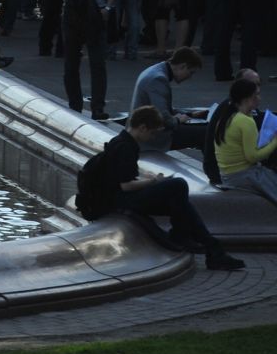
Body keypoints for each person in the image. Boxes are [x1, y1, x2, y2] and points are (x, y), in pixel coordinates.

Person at [76, 106, 243, 271]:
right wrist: (154, 181)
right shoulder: (125, 147)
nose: (152, 137)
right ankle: (198, 243)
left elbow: (121, 180)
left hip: (114, 199)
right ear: (142, 128)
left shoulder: (122, 142)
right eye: (152, 132)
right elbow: (125, 186)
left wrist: (149, 181)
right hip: (118, 202)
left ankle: (210, 248)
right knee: (178, 185)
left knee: (180, 203)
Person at [210, 76, 277, 204]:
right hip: (244, 175)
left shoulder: (227, 116)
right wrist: (275, 141)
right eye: (256, 95)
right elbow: (252, 157)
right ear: (247, 98)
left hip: (228, 175)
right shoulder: (245, 121)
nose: (259, 98)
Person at [130, 47, 208, 150]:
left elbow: (162, 108)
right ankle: (211, 165)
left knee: (201, 130)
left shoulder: (157, 70)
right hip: (151, 135)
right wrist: (177, 120)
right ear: (183, 66)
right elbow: (164, 119)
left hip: (147, 128)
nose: (190, 77)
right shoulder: (158, 79)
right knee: (208, 132)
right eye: (191, 72)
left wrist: (189, 114)